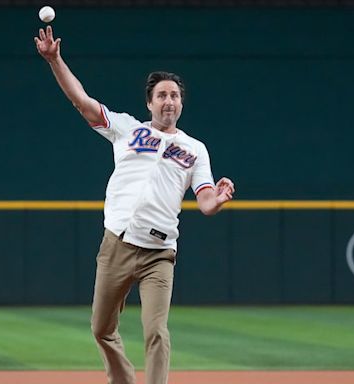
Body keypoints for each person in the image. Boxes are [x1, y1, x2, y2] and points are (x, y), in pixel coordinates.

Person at [34, 26, 235, 384]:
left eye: (174, 95)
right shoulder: (127, 129)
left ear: (181, 103)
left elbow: (204, 201)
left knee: (156, 331)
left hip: (159, 252)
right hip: (117, 245)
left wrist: (217, 200)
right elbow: (82, 101)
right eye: (162, 95)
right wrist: (54, 60)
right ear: (149, 102)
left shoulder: (195, 149)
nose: (169, 100)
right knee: (101, 328)